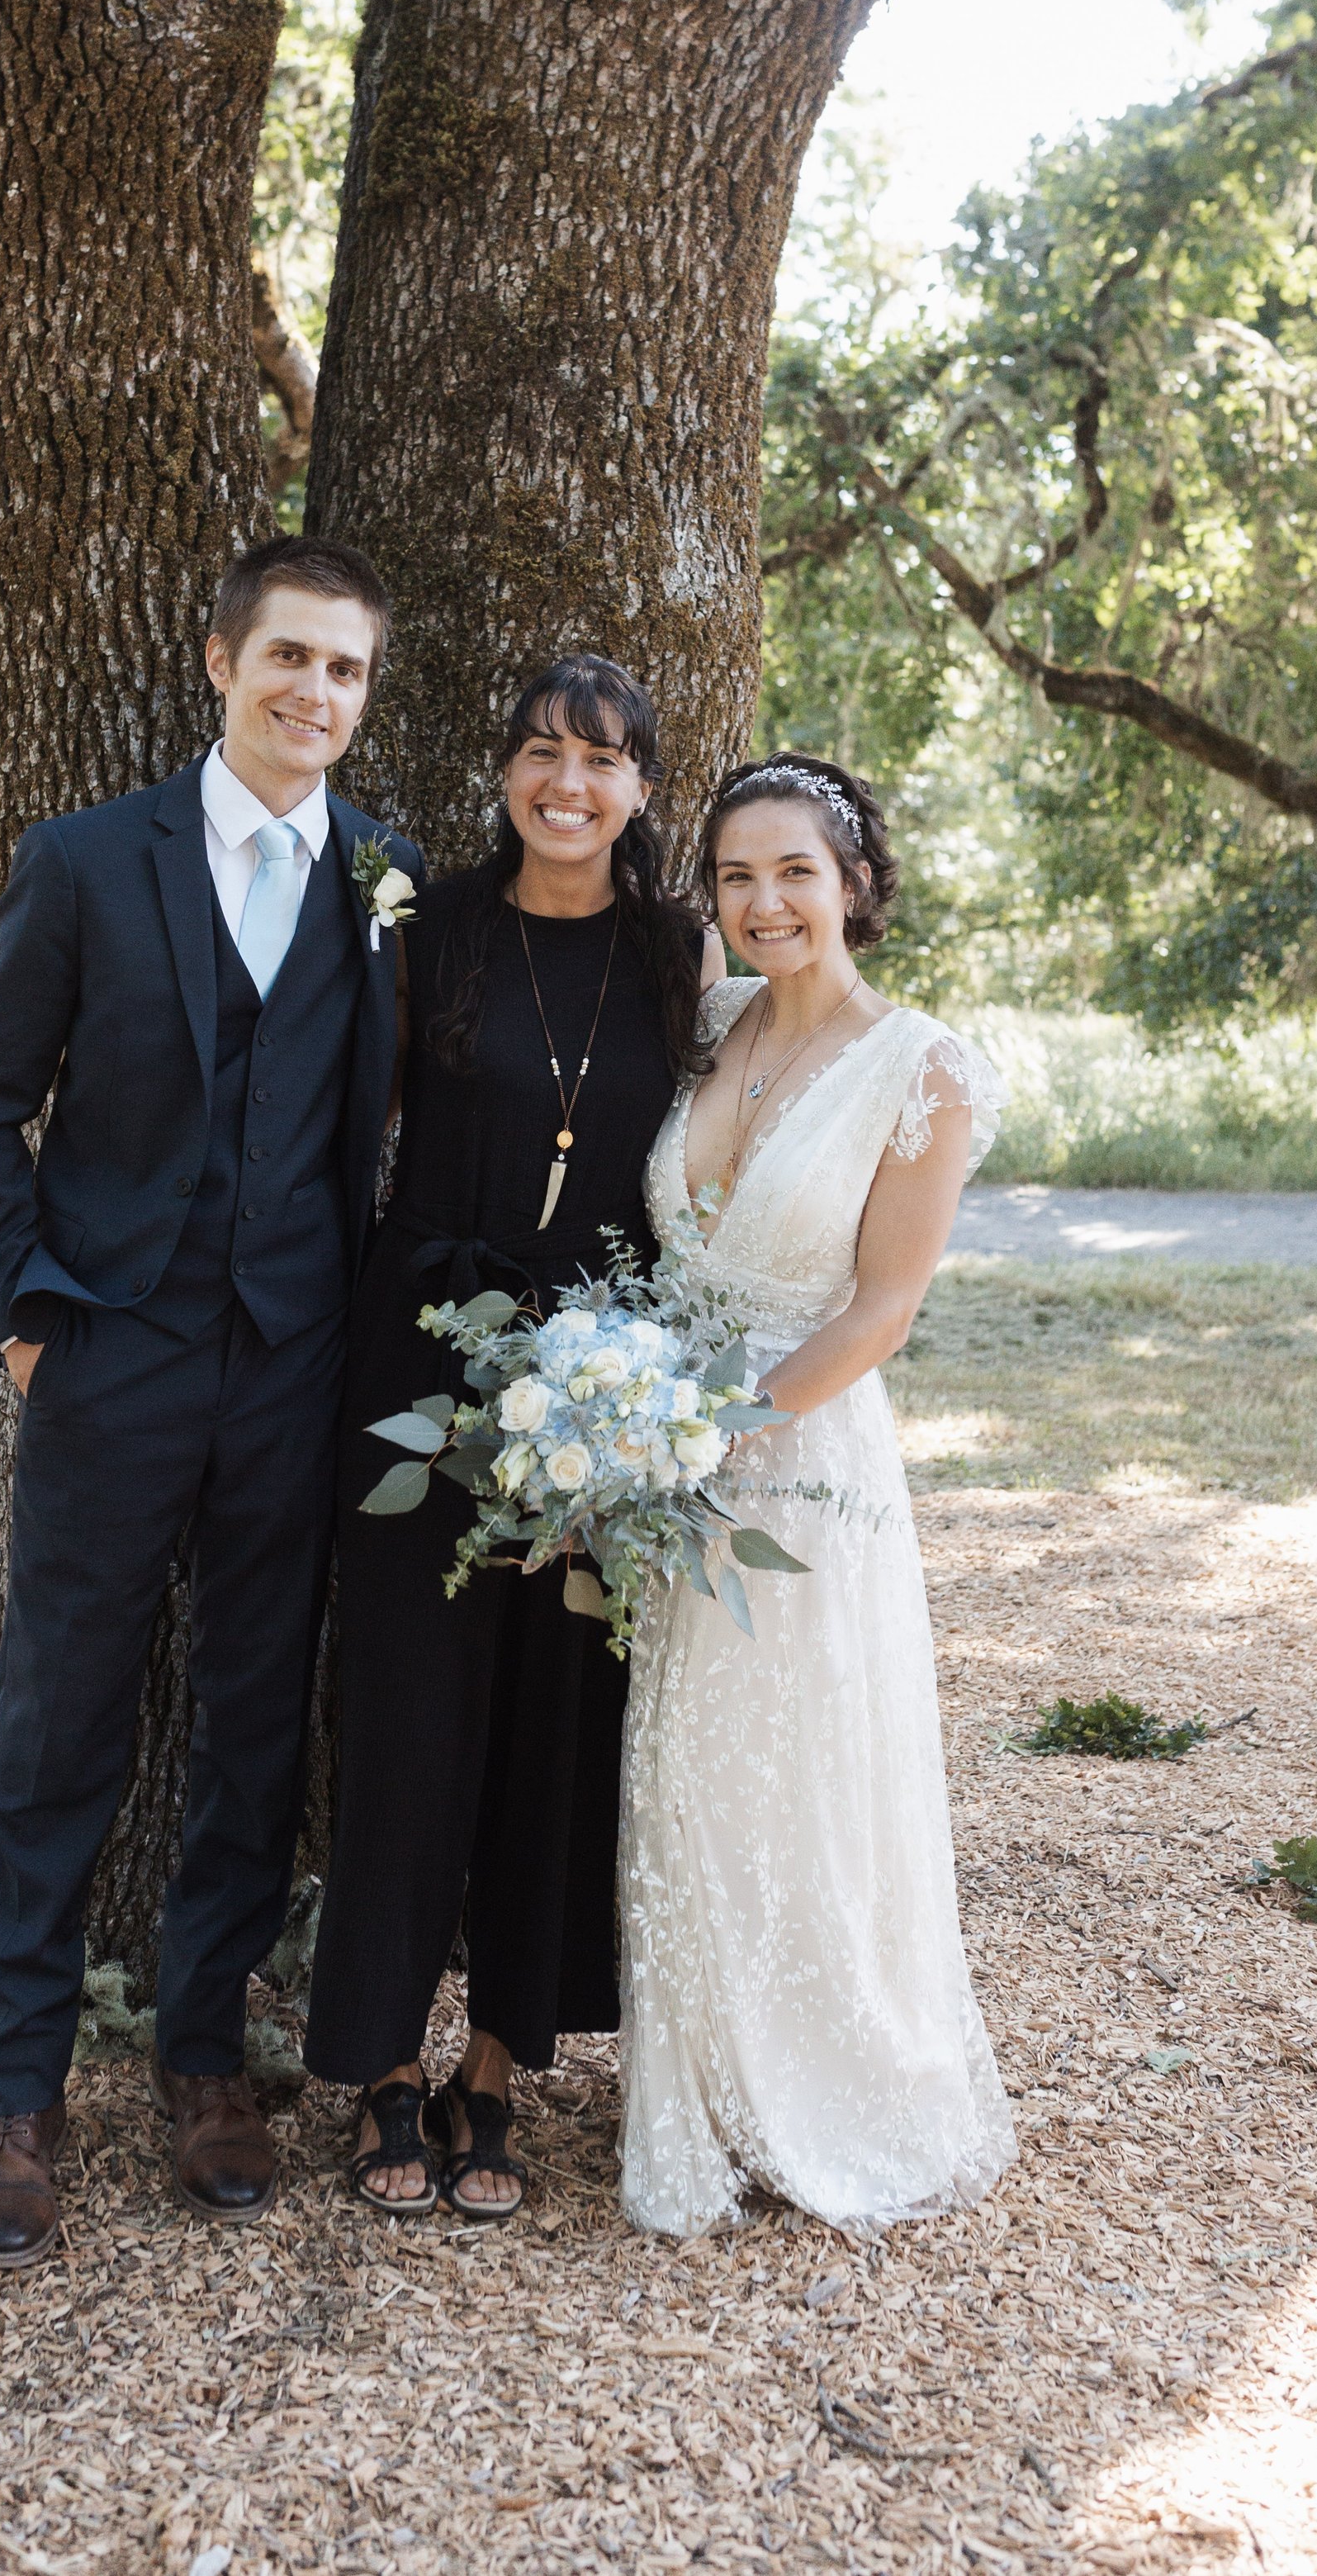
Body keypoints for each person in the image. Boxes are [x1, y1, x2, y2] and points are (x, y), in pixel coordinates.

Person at [0, 537, 420, 2266]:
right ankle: (17, 2090)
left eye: (345, 668)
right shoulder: (85, 861)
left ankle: (206, 2060)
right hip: (109, 1356)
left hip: (294, 1371)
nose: (315, 691)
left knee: (253, 1723)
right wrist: (24, 1322)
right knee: (57, 1723)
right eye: (290, 655)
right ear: (222, 662)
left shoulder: (387, 880)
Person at [304, 656, 723, 2222]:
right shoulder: (427, 921)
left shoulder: (680, 952)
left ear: (642, 788)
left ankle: (495, 2062)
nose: (569, 783)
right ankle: (378, 2061)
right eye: (542, 751)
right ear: (504, 770)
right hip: (419, 1346)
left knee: (557, 1711)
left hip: (602, 1379)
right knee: (407, 1710)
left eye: (602, 760)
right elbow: (348, 1118)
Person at [618, 749, 1015, 2234]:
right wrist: (638, 1423)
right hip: (664, 1460)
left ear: (853, 882)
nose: (766, 900)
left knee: (801, 1770)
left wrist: (714, 1428)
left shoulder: (921, 1066)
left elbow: (883, 1307)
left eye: (796, 871)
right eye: (737, 876)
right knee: (691, 1773)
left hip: (799, 1461)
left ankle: (830, 2081)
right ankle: (711, 2082)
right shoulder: (704, 1023)